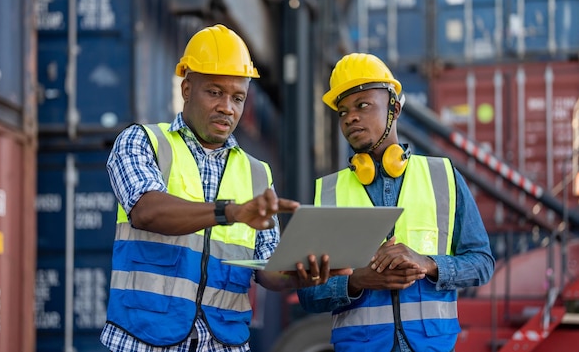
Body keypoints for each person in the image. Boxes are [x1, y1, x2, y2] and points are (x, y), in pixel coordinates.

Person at [100, 24, 342, 352]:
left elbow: (267, 270)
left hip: (222, 343)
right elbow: (147, 211)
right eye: (214, 92)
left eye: (237, 97)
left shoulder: (258, 174)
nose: (227, 107)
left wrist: (303, 274)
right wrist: (230, 213)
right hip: (144, 339)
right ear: (186, 89)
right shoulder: (143, 142)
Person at [297, 53, 495, 352]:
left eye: (363, 105)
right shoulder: (329, 192)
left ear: (395, 108)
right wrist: (357, 281)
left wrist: (428, 264)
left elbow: (482, 263)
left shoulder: (443, 176)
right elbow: (309, 295)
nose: (350, 117)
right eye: (342, 111)